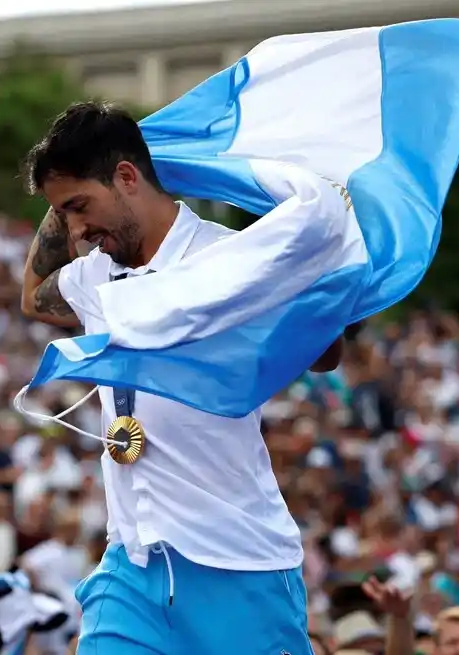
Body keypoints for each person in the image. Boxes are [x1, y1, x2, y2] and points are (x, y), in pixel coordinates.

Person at [18, 101, 341, 654]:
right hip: (133, 567)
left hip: (240, 565)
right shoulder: (94, 275)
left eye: (79, 206)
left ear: (126, 177)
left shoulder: (231, 259)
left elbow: (326, 352)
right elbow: (32, 295)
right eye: (63, 214)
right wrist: (63, 178)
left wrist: (285, 285)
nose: (74, 229)